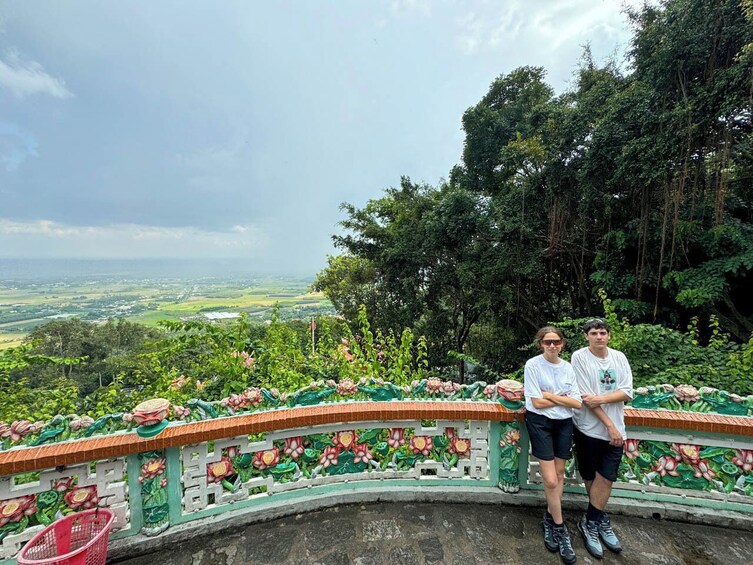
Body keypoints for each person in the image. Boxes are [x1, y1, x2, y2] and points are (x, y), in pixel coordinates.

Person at [571, 318, 633, 559]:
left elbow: (627, 391)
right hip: (588, 428)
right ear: (586, 336)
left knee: (606, 478)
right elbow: (586, 398)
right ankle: (597, 519)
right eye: (594, 333)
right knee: (590, 476)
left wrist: (603, 400)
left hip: (617, 429)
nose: (599, 336)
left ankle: (590, 521)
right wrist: (609, 425)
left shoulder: (619, 358)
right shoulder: (580, 357)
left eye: (603, 332)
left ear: (609, 336)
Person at [524, 325, 582, 565]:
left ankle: (550, 517)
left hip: (564, 424)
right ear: (541, 344)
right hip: (540, 423)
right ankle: (560, 528)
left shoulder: (567, 367)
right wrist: (561, 399)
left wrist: (550, 396)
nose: (552, 346)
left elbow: (577, 403)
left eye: (556, 342)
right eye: (547, 342)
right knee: (550, 479)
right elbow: (536, 403)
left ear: (562, 344)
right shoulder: (533, 365)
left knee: (559, 474)